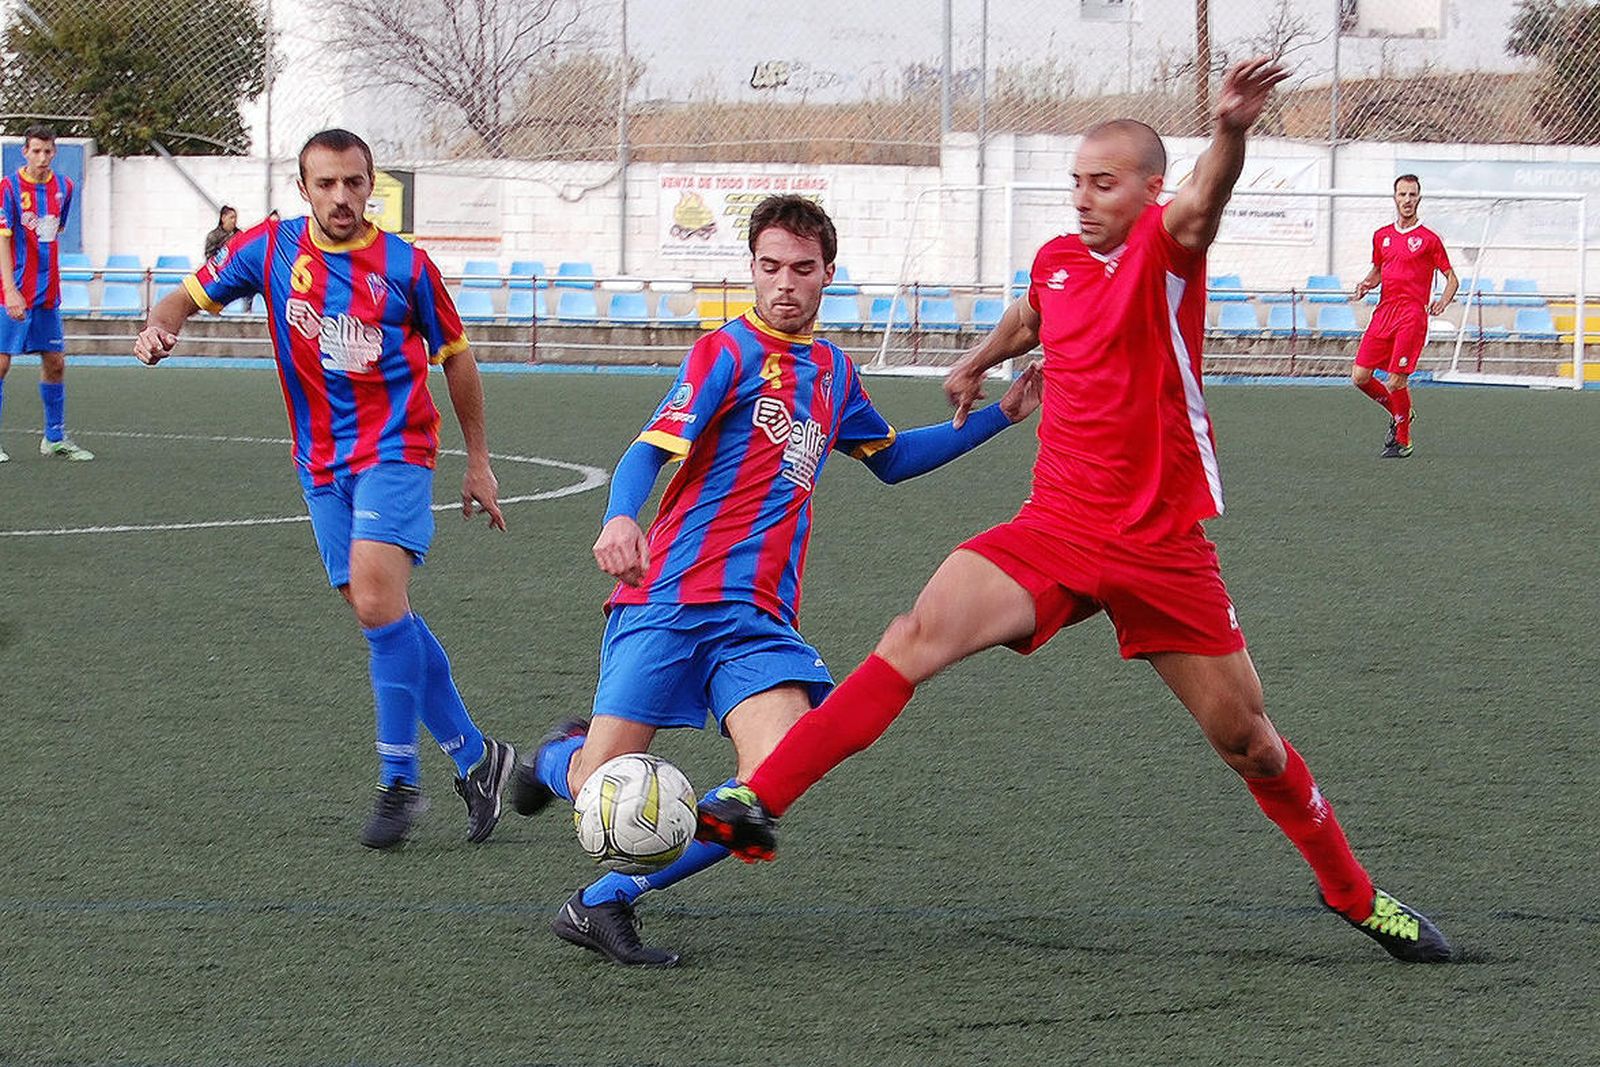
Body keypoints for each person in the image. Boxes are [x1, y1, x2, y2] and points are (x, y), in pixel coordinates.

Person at [698, 61, 1454, 964]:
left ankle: (1353, 893)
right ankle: (759, 795)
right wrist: (979, 360)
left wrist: (1231, 130)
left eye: (1104, 183)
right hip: (1054, 526)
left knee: (1250, 742)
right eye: (1077, 182)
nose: (1085, 199)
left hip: (1160, 544)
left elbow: (1205, 199)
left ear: (1149, 190)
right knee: (913, 636)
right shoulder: (1058, 259)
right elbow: (1033, 314)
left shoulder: (1169, 250)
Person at [508, 194, 1043, 967]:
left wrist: (1001, 416)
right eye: (769, 266)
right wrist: (621, 517)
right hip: (671, 599)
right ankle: (558, 758)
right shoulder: (726, 352)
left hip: (758, 621)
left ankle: (604, 900)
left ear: (828, 273)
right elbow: (648, 449)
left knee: (768, 784)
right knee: (599, 783)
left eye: (801, 267)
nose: (784, 282)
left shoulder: (833, 372)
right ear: (752, 270)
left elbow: (893, 459)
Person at [134, 129, 516, 850]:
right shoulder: (270, 250)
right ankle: (477, 758)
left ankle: (398, 782)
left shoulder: (406, 267)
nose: (342, 196)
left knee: (376, 602)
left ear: (372, 185)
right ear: (303, 189)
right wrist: (159, 329)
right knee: (383, 613)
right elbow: (183, 298)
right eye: (327, 184)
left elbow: (458, 359)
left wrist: (478, 460)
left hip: (397, 449)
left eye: (354, 182)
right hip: (318, 464)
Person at [0, 124, 93, 463]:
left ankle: (54, 438)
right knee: (1, 364)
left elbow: (57, 229)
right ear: (24, 152)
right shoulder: (8, 188)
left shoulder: (64, 187)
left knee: (55, 363)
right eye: (36, 151)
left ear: (55, 152)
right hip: (12, 290)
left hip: (48, 292)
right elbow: (3, 240)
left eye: (48, 151)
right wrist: (10, 290)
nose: (42, 157)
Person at [1350, 175, 1457, 459]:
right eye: (1402, 194)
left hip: (1411, 316)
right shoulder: (1381, 236)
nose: (1407, 200)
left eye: (1412, 195)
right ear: (1395, 197)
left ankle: (1403, 440)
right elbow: (1378, 271)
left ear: (1419, 198)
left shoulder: (1429, 239)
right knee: (1360, 377)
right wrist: (1365, 285)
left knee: (1396, 382)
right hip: (1384, 312)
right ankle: (1401, 413)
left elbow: (1452, 278)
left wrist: (1442, 302)